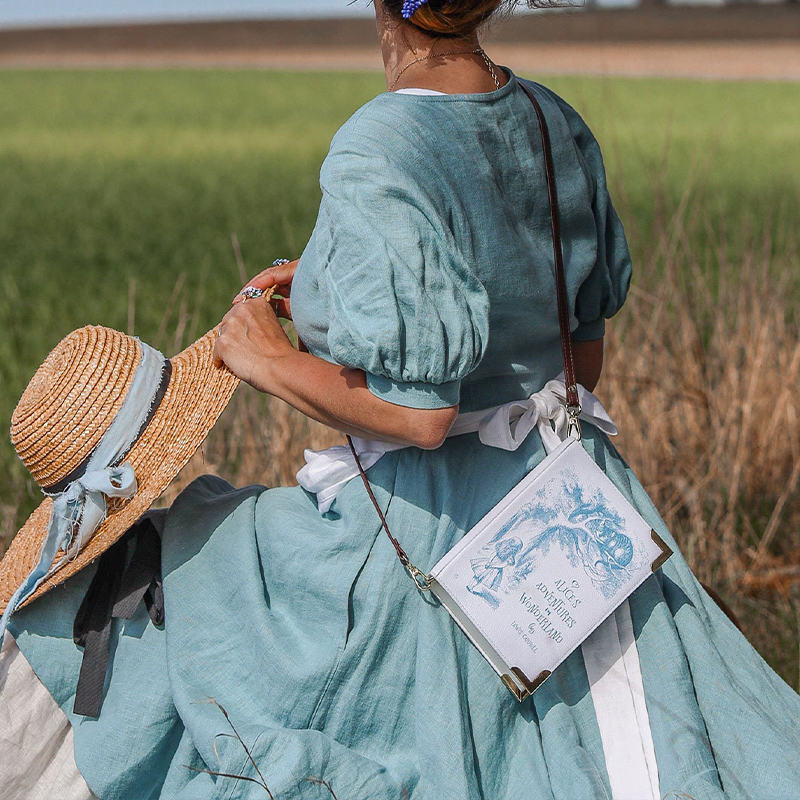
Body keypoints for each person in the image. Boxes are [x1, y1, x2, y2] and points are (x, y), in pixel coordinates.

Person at [2, 1, 799, 798]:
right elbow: (577, 366)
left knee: (199, 576)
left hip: (434, 517)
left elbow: (423, 416)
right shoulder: (554, 122)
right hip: (576, 493)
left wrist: (264, 359)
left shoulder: (377, 147)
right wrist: (322, 287)